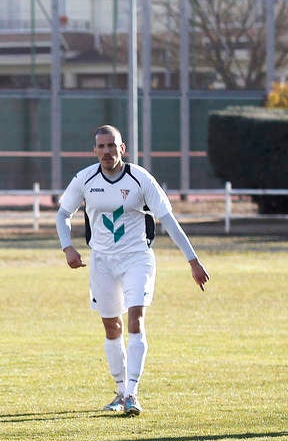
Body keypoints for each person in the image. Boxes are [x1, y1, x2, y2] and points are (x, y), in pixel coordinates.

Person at [56, 125, 210, 416]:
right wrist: (68, 247)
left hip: (137, 258)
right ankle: (119, 390)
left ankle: (132, 394)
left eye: (111, 146)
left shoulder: (140, 178)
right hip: (102, 262)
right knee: (111, 326)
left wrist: (193, 260)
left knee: (136, 319)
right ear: (94, 150)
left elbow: (168, 219)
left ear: (122, 149)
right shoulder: (85, 179)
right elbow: (63, 214)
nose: (106, 152)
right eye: (101, 146)